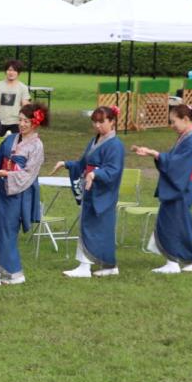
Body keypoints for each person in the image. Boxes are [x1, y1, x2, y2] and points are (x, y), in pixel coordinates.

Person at [131, 104, 192, 274]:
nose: (172, 125)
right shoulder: (186, 137)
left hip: (182, 187)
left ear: (185, 119)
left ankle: (185, 260)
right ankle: (178, 260)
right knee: (172, 223)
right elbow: (173, 159)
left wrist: (155, 154)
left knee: (175, 224)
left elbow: (177, 163)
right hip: (179, 185)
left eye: (173, 121)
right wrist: (152, 153)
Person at [0, 103, 47, 287]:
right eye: (20, 120)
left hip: (18, 194)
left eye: (26, 121)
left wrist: (8, 174)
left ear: (35, 123)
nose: (22, 124)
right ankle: (0, 272)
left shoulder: (37, 145)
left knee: (7, 231)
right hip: (2, 190)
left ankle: (11, 272)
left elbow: (29, 173)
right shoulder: (10, 139)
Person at [54, 106, 125, 279]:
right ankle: (105, 265)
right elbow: (83, 163)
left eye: (102, 122)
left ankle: (89, 266)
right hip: (90, 189)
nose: (97, 126)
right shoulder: (95, 140)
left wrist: (95, 174)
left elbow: (113, 170)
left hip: (103, 192)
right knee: (89, 226)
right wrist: (66, 164)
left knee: (100, 228)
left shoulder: (116, 145)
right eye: (95, 122)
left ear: (112, 122)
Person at [0, 59, 31, 129]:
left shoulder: (23, 87)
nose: (11, 73)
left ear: (18, 73)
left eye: (14, 70)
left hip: (16, 122)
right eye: (9, 70)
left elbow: (25, 106)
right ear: (5, 71)